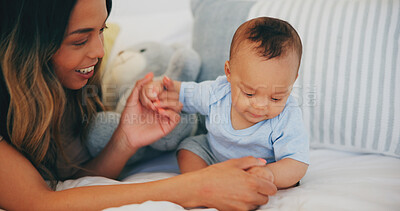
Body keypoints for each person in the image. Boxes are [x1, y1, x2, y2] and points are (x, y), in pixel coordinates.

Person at [0, 0, 277, 210]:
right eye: (80, 40)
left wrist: (125, 139)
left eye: (102, 30)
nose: (99, 51)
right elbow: (39, 202)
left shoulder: (54, 93)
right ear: (27, 46)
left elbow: (73, 181)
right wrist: (196, 187)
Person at [140, 17, 309, 189]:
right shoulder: (218, 92)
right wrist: (159, 88)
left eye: (276, 98)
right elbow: (185, 93)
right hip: (213, 156)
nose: (260, 105)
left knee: (286, 175)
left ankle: (244, 182)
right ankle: (204, 184)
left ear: (292, 81)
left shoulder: (287, 115)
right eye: (249, 93)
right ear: (229, 72)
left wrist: (271, 174)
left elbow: (297, 162)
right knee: (189, 148)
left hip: (259, 166)